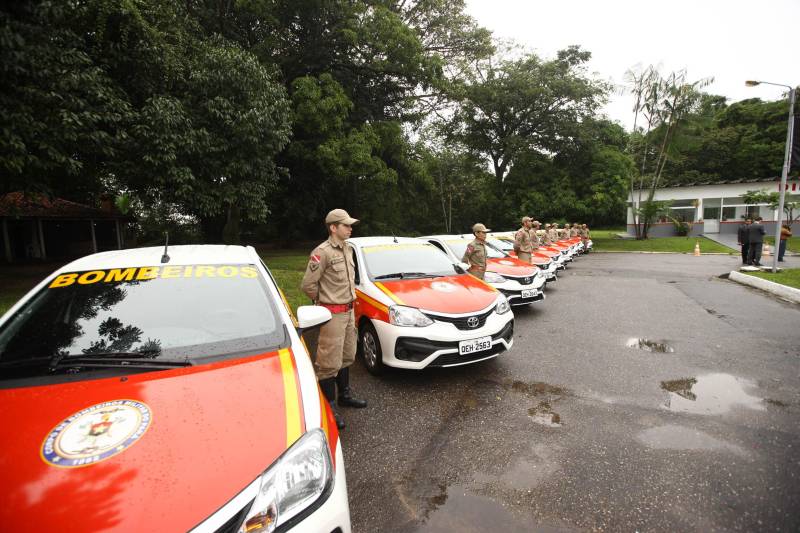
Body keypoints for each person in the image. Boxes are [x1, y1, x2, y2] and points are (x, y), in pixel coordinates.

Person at [301, 208, 367, 430]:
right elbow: (308, 285)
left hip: (348, 312)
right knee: (328, 363)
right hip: (332, 315)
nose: (350, 228)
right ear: (333, 228)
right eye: (346, 225)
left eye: (350, 225)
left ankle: (344, 396)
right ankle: (328, 406)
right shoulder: (323, 252)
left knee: (347, 356)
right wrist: (324, 304)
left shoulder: (347, 248)